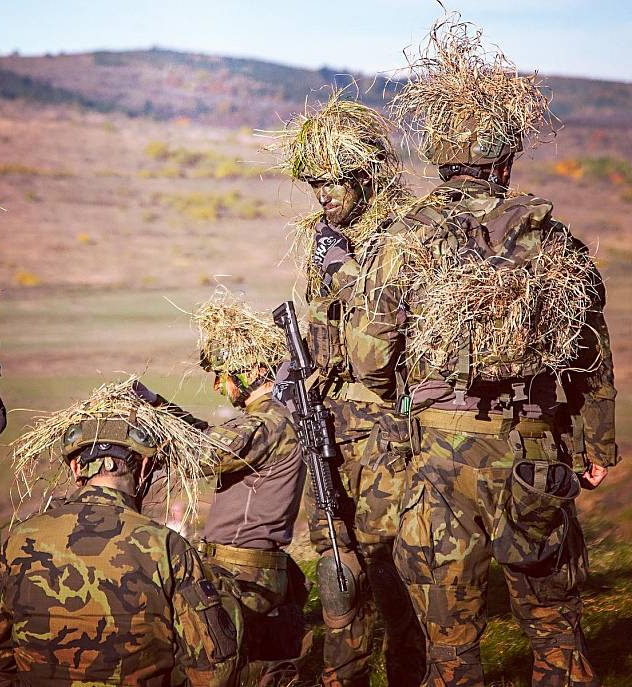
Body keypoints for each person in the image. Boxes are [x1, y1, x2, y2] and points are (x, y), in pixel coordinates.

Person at [326, 17, 617, 686]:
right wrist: (595, 446)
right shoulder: (553, 235)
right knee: (557, 632)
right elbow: (591, 352)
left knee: (451, 650)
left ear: (440, 156)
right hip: (538, 452)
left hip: (442, 462)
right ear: (505, 159)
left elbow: (370, 361)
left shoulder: (406, 236)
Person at [274, 89, 425, 686]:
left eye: (336, 183)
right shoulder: (323, 242)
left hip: (388, 423)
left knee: (391, 562)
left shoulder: (402, 237)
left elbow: (382, 349)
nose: (325, 198)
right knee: (337, 561)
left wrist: (343, 269)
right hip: (330, 420)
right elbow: (321, 323)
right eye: (316, 187)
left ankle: (407, 673)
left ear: (365, 175)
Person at [0, 381, 240, 687]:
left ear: (74, 468)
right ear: (145, 467)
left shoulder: (20, 539)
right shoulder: (168, 547)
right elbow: (213, 671)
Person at [135, 289, 308, 684]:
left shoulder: (268, 424)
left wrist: (153, 421)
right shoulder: (267, 422)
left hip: (243, 572)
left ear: (246, 372)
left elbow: (205, 452)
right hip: (241, 566)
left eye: (222, 376)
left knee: (222, 670)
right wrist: (160, 406)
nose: (218, 387)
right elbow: (212, 440)